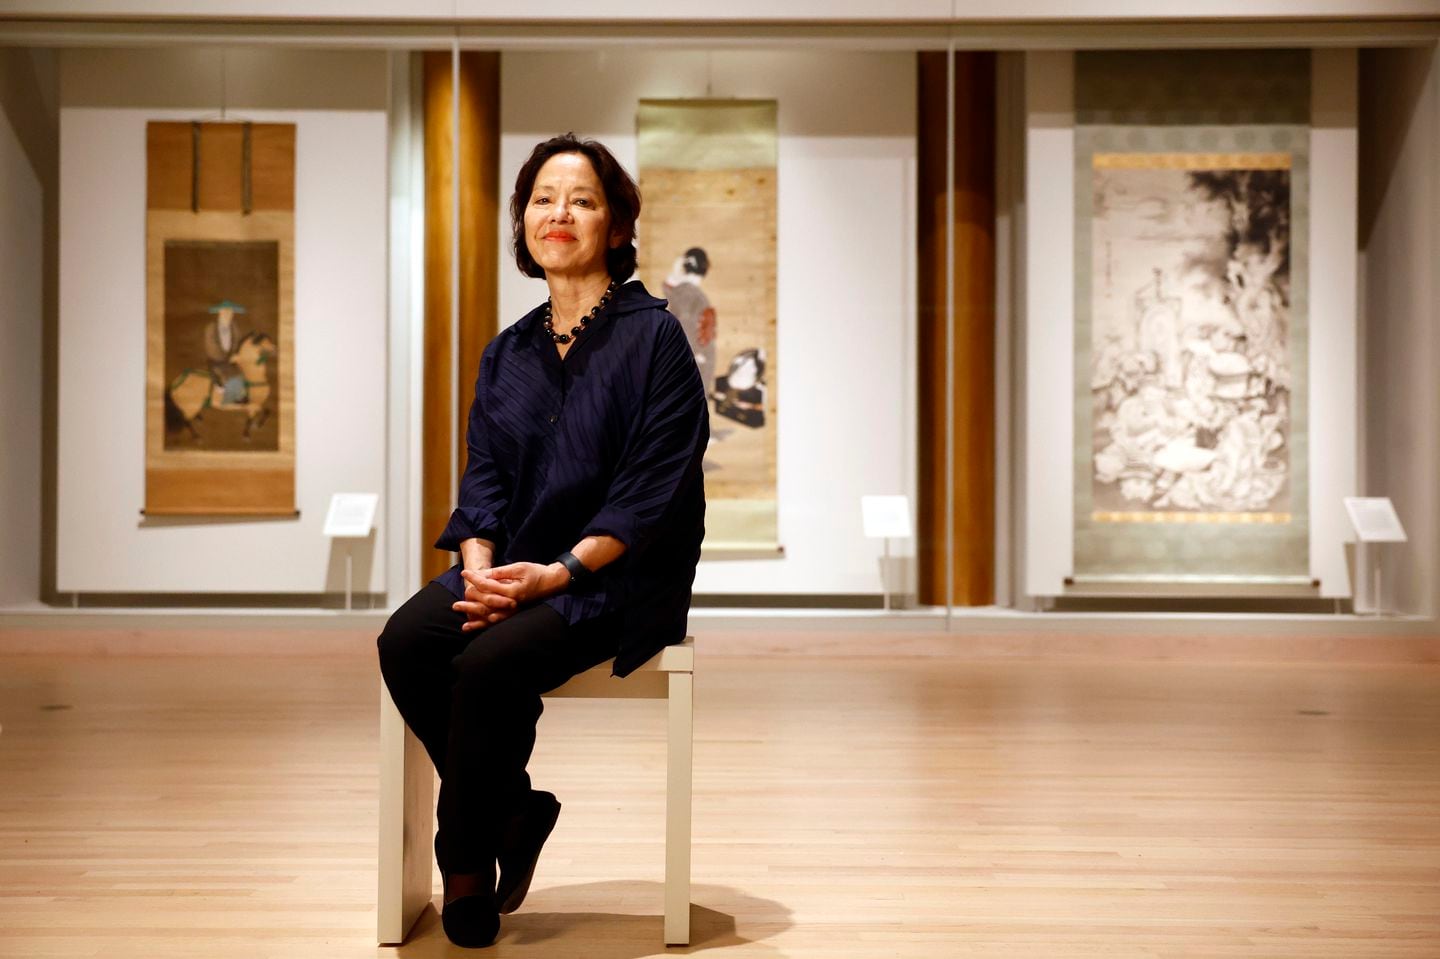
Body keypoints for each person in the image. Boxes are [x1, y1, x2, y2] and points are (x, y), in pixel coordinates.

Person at [377, 133, 709, 949]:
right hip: (514, 562)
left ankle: (463, 864)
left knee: (487, 664)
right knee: (408, 639)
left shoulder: (655, 339)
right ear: (524, 222)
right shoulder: (508, 351)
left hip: (611, 578)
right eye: (542, 199)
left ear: (618, 226)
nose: (558, 214)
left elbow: (649, 492)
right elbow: (483, 479)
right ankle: (514, 808)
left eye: (583, 200)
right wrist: (482, 571)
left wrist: (552, 575)